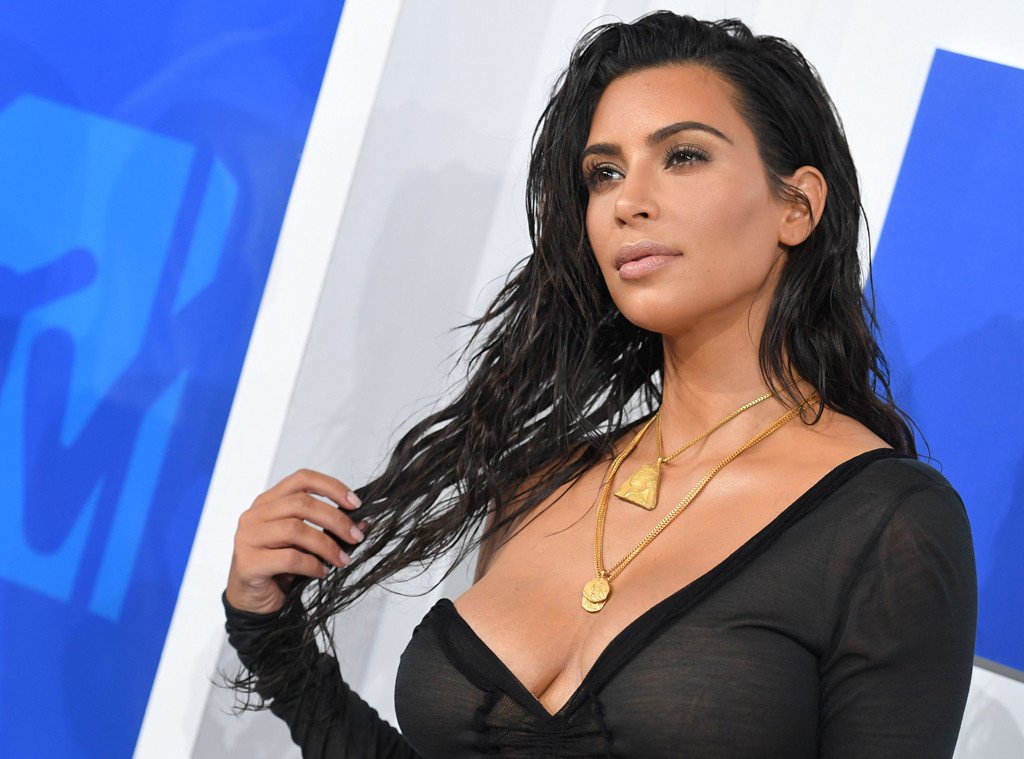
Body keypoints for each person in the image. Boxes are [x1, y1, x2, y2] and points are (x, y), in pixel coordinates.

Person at [222, 11, 977, 758]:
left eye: (683, 156)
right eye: (604, 173)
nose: (626, 200)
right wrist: (266, 629)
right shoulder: (537, 485)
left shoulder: (888, 522)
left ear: (797, 205)